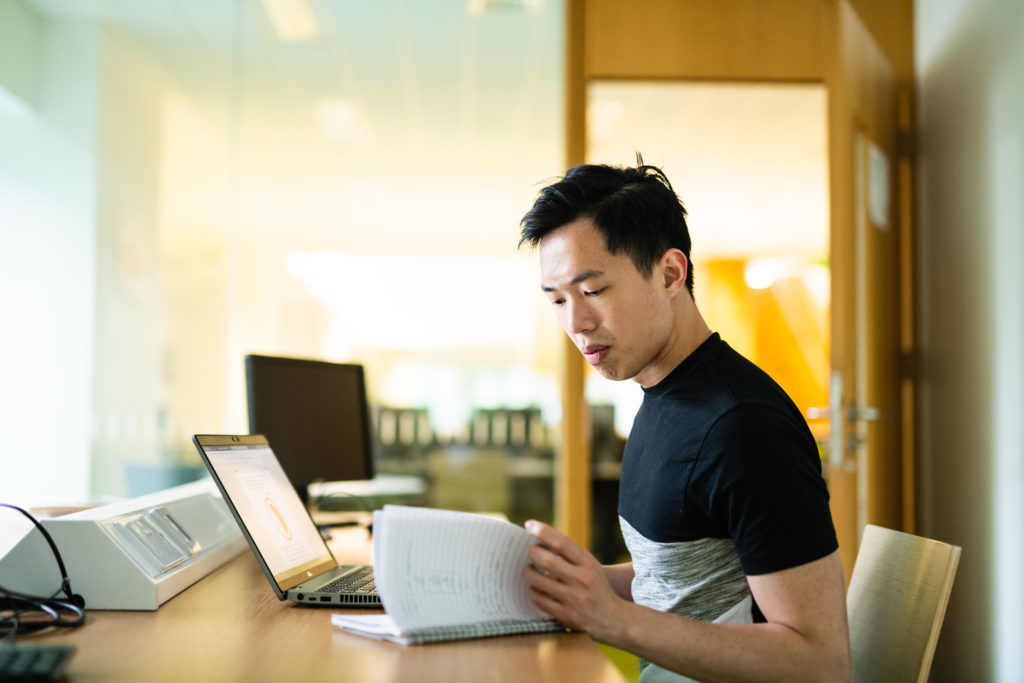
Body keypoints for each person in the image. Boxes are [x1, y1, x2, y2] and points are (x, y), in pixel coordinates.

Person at [517, 158, 850, 683]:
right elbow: (675, 580)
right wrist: (571, 584)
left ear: (671, 273)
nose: (577, 324)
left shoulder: (745, 428)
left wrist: (615, 620)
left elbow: (819, 663)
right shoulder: (660, 397)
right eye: (558, 300)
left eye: (593, 291)